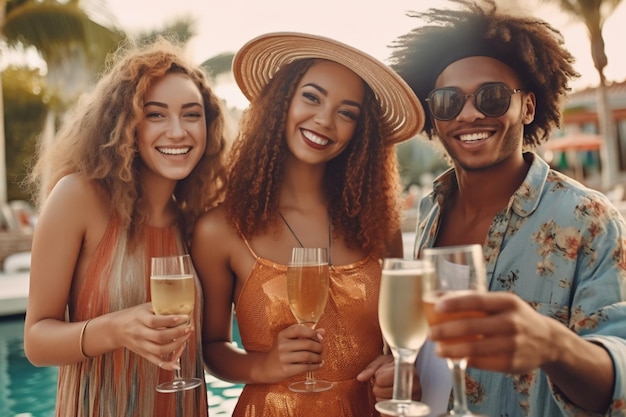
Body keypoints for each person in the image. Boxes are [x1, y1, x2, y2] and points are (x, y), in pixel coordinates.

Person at [385, 0, 626, 416]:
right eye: (448, 101)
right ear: (434, 115)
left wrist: (554, 347)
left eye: (492, 97)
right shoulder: (430, 211)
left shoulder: (591, 218)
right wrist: (411, 375)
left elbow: (620, 378)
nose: (470, 113)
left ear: (527, 107)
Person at [190, 32, 424, 416]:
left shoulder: (379, 223)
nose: (325, 120)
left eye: (347, 112)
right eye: (312, 97)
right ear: (282, 102)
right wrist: (263, 365)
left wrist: (397, 370)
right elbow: (211, 346)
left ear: (360, 132)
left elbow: (396, 345)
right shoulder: (221, 229)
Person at [23, 37, 230, 417]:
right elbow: (36, 341)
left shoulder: (195, 219)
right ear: (126, 125)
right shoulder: (79, 198)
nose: (177, 131)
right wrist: (116, 329)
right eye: (155, 114)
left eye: (191, 114)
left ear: (208, 126)